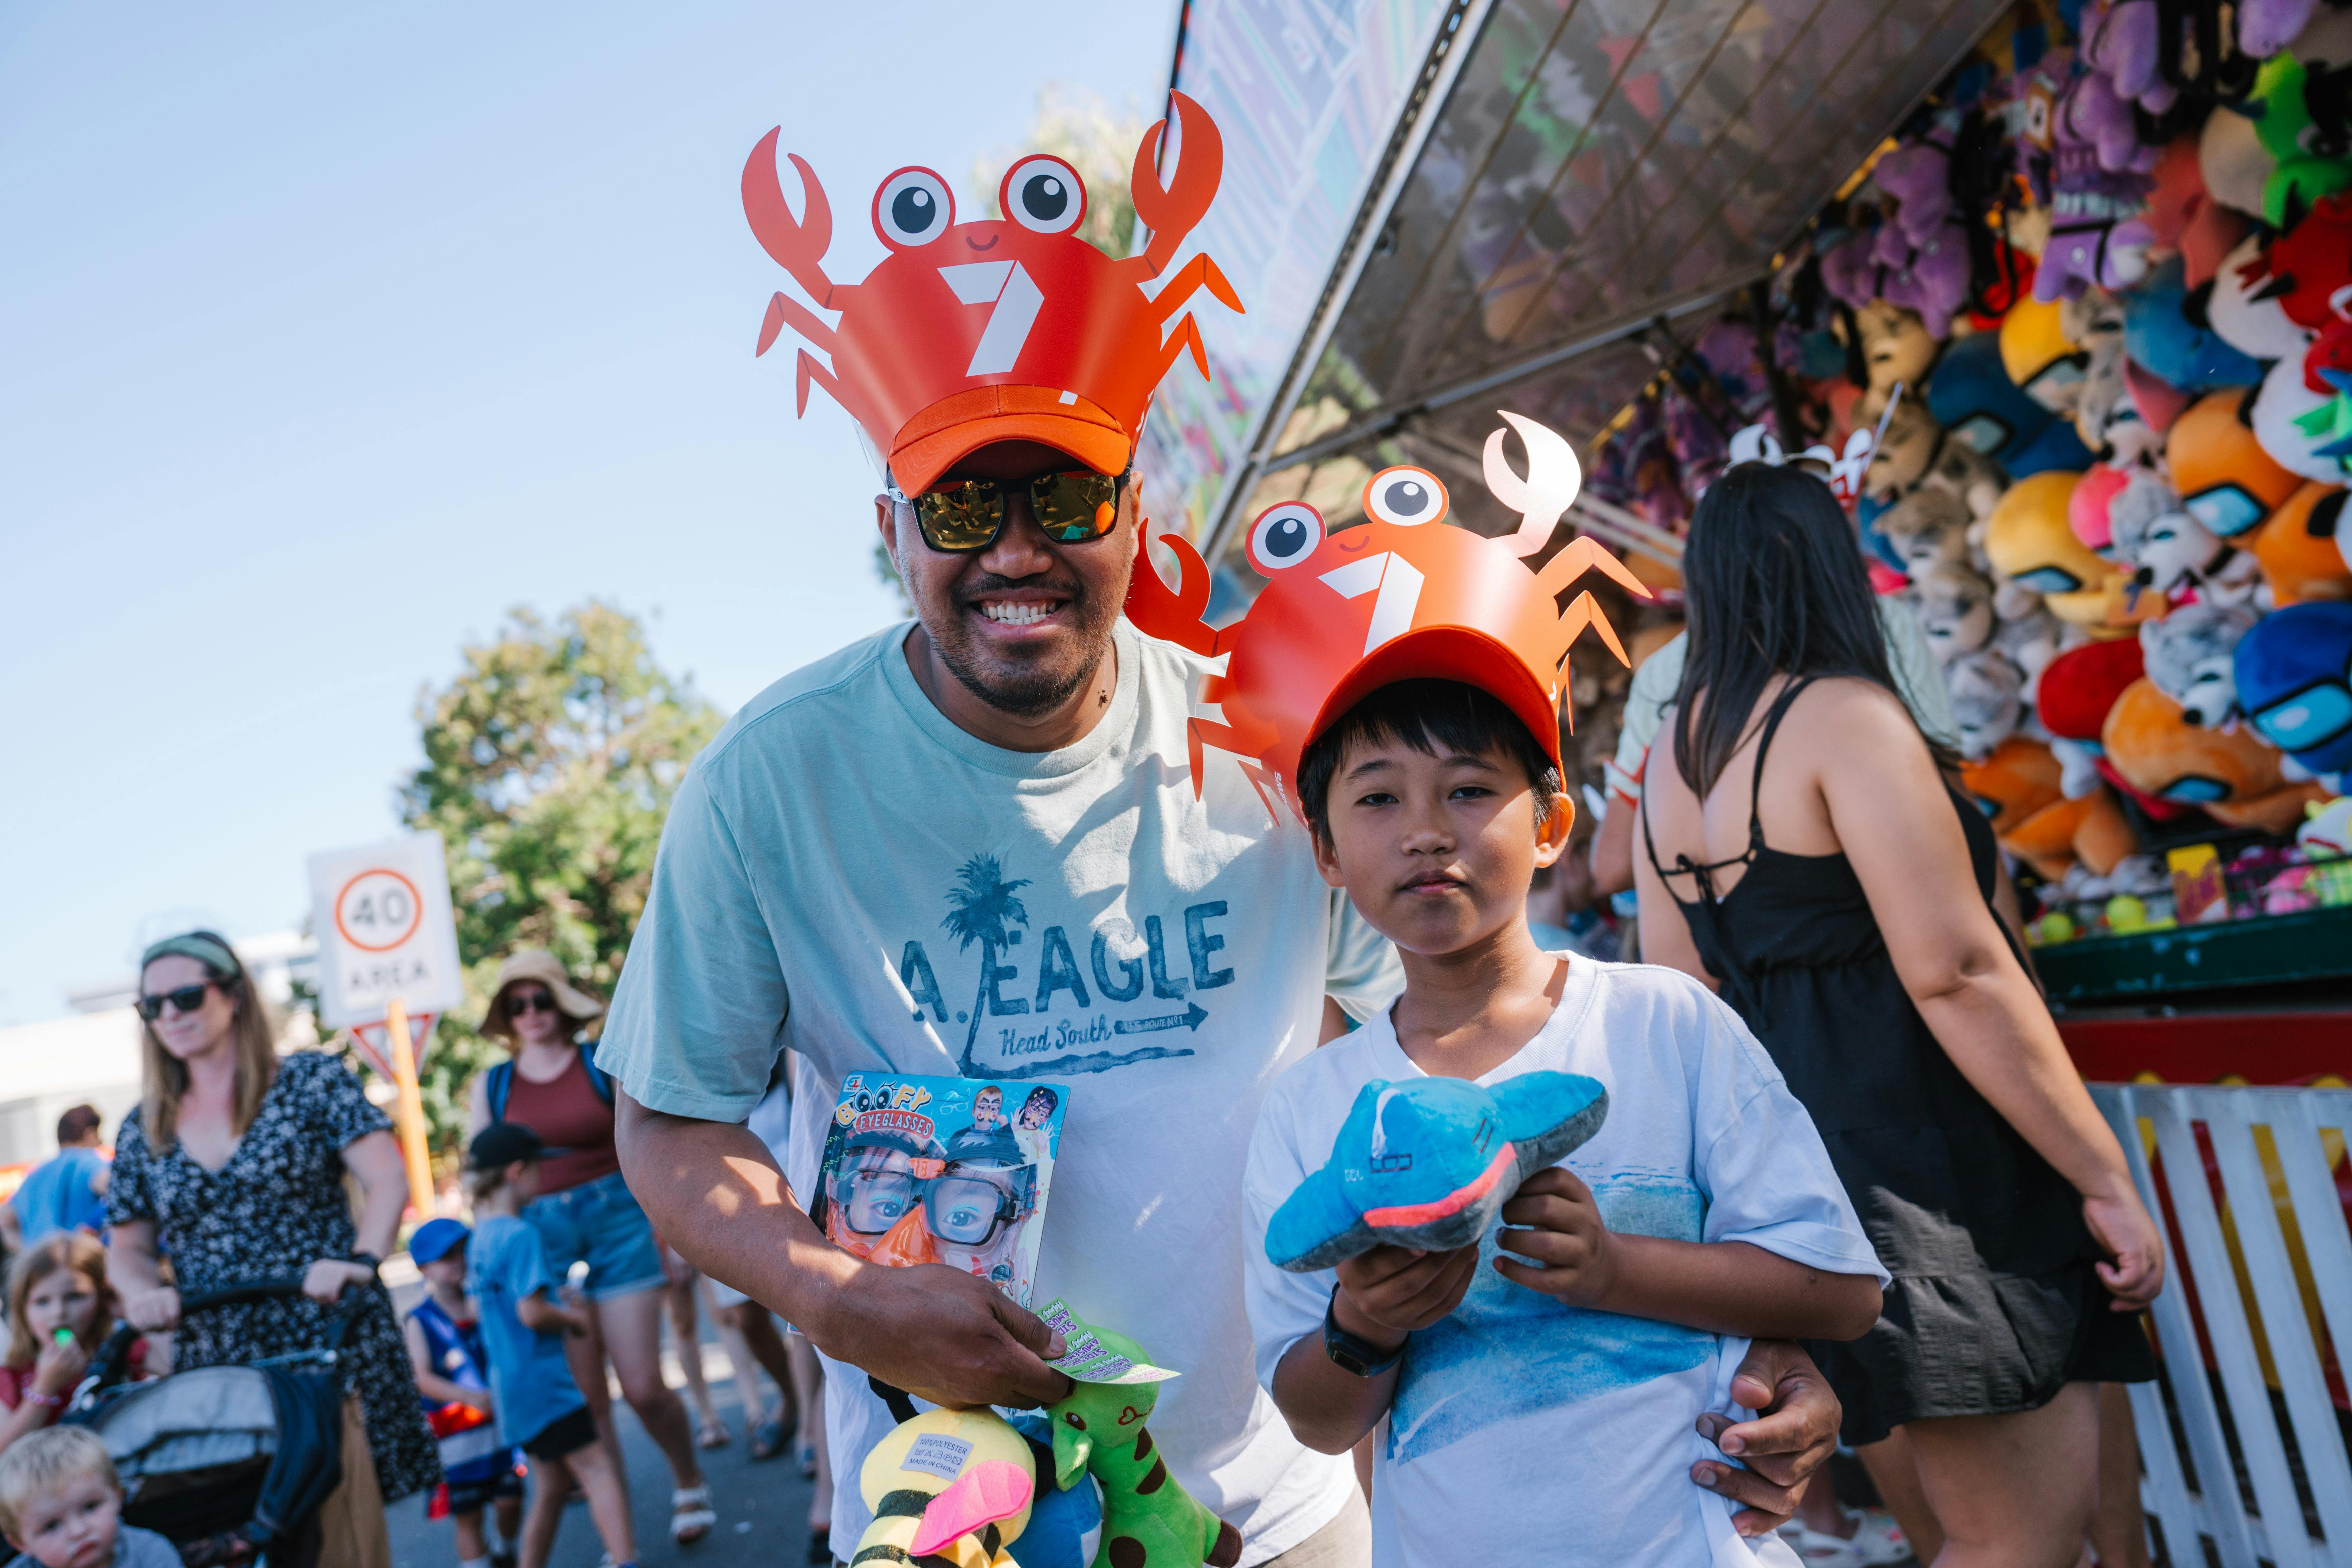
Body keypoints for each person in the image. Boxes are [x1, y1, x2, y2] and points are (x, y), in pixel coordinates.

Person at [605, 93, 1848, 1565]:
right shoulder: (772, 781)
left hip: (1286, 1483)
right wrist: (827, 1291)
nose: (1017, 550)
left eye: (1064, 493)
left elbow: (1454, 1056)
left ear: (1135, 511)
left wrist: (1747, 1334)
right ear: (891, 529)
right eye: (958, 510)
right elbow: (671, 1122)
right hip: (967, 1506)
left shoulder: (1277, 751)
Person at [1632, 464, 2165, 1565]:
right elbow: (1955, 972)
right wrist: (2100, 1175)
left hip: (1807, 1186)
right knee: (2013, 1542)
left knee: (1960, 1536)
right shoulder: (1842, 716)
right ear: (1829, 566)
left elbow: (1680, 999)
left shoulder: (1668, 767)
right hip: (1938, 1173)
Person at [1244, 676, 1888, 1566]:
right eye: (1379, 798)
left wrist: (1617, 1269)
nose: (1427, 830)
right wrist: (1365, 1323)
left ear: (1550, 825)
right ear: (1326, 848)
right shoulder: (1310, 1105)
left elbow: (1843, 1291)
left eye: (1470, 790)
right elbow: (1317, 1420)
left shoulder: (1665, 1024)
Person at [104, 931, 439, 1530]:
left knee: (347, 1523)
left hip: (326, 1324)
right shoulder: (143, 1125)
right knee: (246, 1528)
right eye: (152, 1006)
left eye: (185, 996)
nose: (170, 1015)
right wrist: (140, 1295)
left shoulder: (311, 1080)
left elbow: (387, 1178)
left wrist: (361, 1259)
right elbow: (127, 1247)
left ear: (233, 995)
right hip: (220, 1350)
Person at [465, 950, 713, 1545]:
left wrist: (671, 1229)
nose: (530, 1013)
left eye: (540, 999)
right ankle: (619, 1540)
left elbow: (649, 1147)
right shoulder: (492, 1084)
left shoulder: (602, 1062)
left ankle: (688, 1478)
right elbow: (482, 1179)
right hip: (539, 1239)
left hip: (621, 1224)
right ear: (505, 1014)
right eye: (516, 1004)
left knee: (644, 1386)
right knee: (589, 1403)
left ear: (562, 1004)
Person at [461, 1124, 638, 1568]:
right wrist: (574, 1319)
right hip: (545, 1385)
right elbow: (532, 1314)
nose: (544, 1177)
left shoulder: (481, 1236)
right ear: (518, 1172)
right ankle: (627, 1559)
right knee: (597, 1470)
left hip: (511, 1386)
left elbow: (486, 1304)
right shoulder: (521, 1235)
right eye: (540, 1167)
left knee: (554, 1484)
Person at [402, 1219, 523, 1568]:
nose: (458, 1261)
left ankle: (505, 1547)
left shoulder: (482, 1304)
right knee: (468, 1515)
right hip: (456, 1442)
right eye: (446, 1257)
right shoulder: (420, 1320)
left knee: (510, 1500)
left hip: (498, 1432)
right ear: (425, 1268)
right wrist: (467, 1397)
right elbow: (421, 1377)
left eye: (462, 1252)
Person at [1, 1236, 147, 1456]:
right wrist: (44, 1388)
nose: (58, 1312)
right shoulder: (15, 1375)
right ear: (23, 1311)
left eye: (75, 1297)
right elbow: (5, 1451)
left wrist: (129, 1311)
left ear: (103, 1297)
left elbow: (171, 1371)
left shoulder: (127, 1353)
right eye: (42, 1301)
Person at [0, 1425, 179, 1568]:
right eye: (51, 1526)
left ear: (118, 1495)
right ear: (21, 1544)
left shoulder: (149, 1553)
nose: (79, 1532)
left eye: (90, 1507)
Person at [0, 1110, 108, 1255]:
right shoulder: (89, 1161)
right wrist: (93, 1226)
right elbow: (117, 1190)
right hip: (77, 1262)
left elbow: (5, 1217)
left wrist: (24, 1249)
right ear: (91, 1133)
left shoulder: (37, 1173)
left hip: (41, 1267)